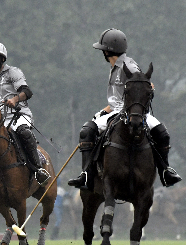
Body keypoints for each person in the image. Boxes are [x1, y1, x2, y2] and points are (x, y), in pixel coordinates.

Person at [68, 28, 181, 190]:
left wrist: (149, 86)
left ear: (108, 51)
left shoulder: (129, 66)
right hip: (115, 111)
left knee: (162, 134)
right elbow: (116, 99)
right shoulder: (115, 67)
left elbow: (143, 84)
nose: (102, 53)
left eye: (103, 50)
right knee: (87, 131)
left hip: (134, 112)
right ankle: (87, 175)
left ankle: (165, 171)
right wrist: (103, 111)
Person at [0, 42, 51, 200]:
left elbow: (27, 91)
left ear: (1, 58)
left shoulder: (13, 72)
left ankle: (38, 171)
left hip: (19, 115)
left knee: (24, 133)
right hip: (1, 120)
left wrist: (15, 99)